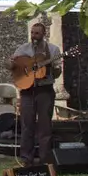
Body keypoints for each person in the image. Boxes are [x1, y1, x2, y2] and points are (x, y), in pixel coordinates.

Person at [12, 19, 61, 166]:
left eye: (37, 33)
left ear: (44, 34)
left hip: (45, 90)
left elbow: (58, 73)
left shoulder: (53, 50)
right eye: (32, 33)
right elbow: (12, 67)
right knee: (27, 125)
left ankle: (45, 159)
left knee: (45, 126)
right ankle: (27, 159)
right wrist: (10, 63)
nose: (34, 35)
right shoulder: (22, 49)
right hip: (27, 91)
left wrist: (53, 67)